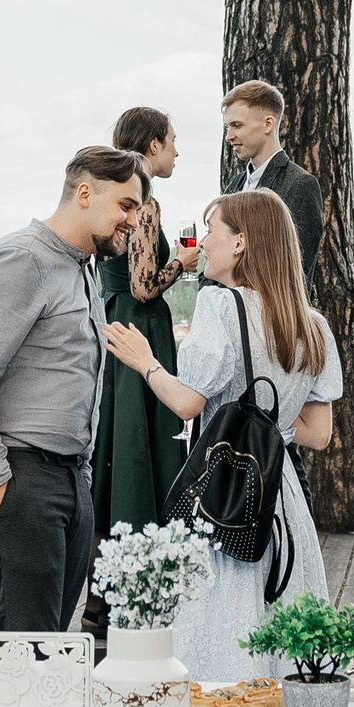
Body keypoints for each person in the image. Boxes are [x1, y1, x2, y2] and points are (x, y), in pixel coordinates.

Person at [105, 188, 336, 680]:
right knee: (284, 621)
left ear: (240, 244)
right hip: (281, 497)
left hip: (225, 493)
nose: (203, 242)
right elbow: (317, 434)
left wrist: (146, 363)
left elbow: (188, 403)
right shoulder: (313, 325)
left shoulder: (218, 307)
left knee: (220, 624)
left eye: (212, 230)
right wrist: (265, 430)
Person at [0, 147, 143, 633]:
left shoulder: (83, 269)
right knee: (26, 651)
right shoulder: (22, 260)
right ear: (84, 192)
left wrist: (83, 478)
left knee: (48, 646)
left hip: (66, 480)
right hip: (18, 475)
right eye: (127, 205)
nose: (134, 221)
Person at [92, 106, 201, 534]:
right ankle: (143, 525)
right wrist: (182, 261)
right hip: (139, 324)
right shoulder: (145, 202)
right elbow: (143, 285)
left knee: (116, 433)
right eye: (173, 142)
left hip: (113, 316)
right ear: (154, 144)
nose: (177, 152)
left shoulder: (110, 194)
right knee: (141, 432)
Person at [220, 80, 322, 291]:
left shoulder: (300, 185)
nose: (229, 136)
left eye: (237, 125)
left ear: (268, 124)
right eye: (227, 127)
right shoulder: (235, 185)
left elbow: (298, 274)